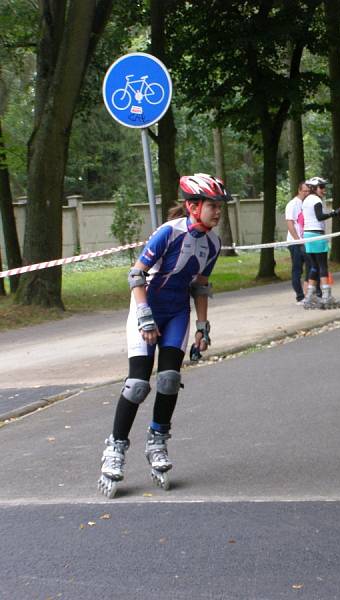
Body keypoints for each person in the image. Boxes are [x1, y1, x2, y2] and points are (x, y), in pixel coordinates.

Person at [97, 173, 228, 498]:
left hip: (177, 314)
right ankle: (115, 447)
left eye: (219, 206)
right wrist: (144, 317)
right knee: (138, 384)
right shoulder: (167, 233)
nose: (218, 212)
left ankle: (157, 440)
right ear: (192, 206)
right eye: (213, 205)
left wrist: (202, 326)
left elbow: (199, 285)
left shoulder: (213, 243)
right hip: (147, 307)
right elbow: (136, 273)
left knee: (169, 379)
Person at [300, 176, 340, 309]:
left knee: (314, 266)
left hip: (308, 235)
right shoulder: (316, 199)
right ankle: (326, 296)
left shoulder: (306, 200)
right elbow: (320, 216)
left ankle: (309, 296)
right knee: (322, 266)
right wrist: (337, 212)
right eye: (321, 187)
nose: (324, 190)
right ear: (314, 188)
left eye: (324, 187)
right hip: (317, 234)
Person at [285, 182, 312, 305]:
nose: (307, 193)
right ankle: (300, 297)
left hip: (306, 240)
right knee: (297, 270)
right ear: (299, 191)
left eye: (308, 191)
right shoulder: (292, 204)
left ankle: (308, 293)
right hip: (295, 242)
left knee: (311, 266)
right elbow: (290, 223)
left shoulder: (306, 204)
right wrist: (297, 239)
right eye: (304, 191)